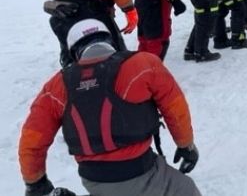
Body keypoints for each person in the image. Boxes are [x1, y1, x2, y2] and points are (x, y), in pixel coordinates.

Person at [18, 19, 201, 196]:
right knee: (187, 189)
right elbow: (175, 108)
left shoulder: (56, 86)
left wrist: (36, 183)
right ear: (109, 40)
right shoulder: (144, 65)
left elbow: (32, 137)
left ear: (74, 51)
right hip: (139, 171)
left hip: (92, 178)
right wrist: (186, 146)